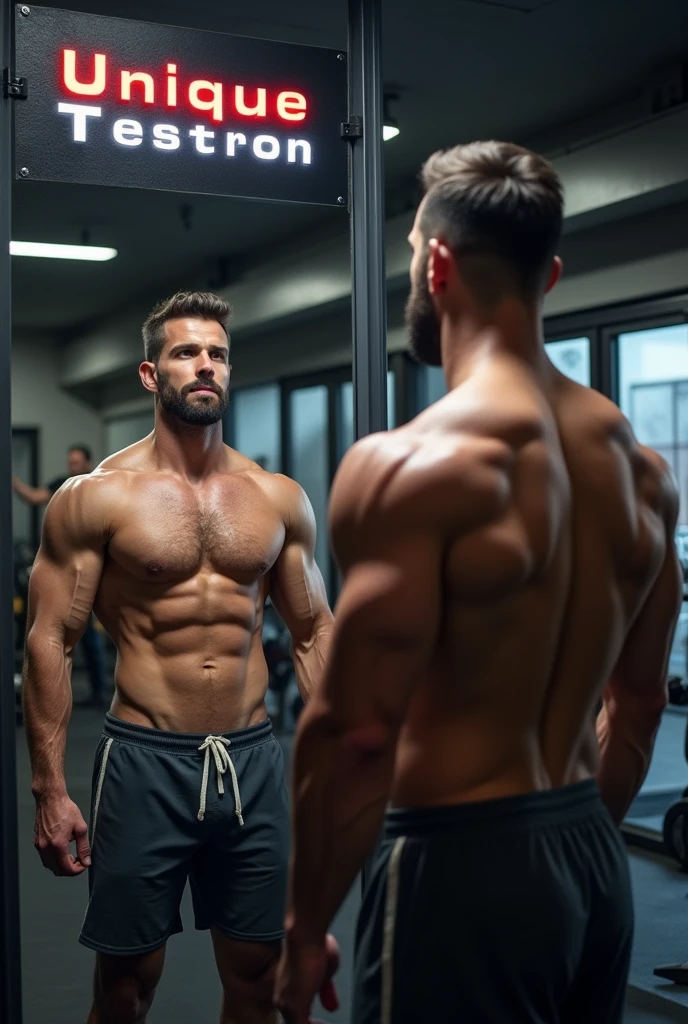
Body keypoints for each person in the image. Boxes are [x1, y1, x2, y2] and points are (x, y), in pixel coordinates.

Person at [276, 141, 683, 1024]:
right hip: (591, 855)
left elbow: (354, 735)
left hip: (459, 863)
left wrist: (306, 928)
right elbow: (640, 703)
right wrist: (571, 859)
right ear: (552, 276)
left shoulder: (413, 465)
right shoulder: (642, 474)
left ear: (438, 263)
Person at [22, 291, 333, 1024]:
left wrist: (339, 766)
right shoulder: (94, 497)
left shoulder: (277, 496)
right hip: (145, 762)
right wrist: (49, 789)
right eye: (186, 352)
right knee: (127, 987)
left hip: (253, 761)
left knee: (260, 976)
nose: (204, 366)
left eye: (217, 354)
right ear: (148, 372)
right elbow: (51, 640)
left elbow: (315, 630)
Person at [14, 444, 107, 707]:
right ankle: (54, 695)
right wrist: (12, 479)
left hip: (92, 566)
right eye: (70, 462)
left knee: (88, 632)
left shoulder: (97, 484)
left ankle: (100, 690)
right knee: (56, 629)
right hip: (63, 565)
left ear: (88, 463)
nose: (72, 467)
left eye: (77, 463)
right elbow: (34, 497)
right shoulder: (62, 484)